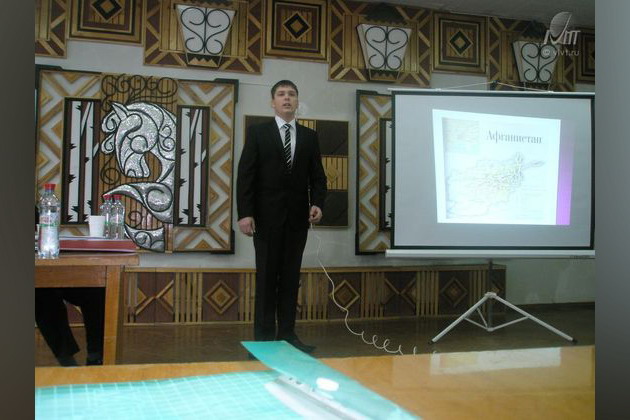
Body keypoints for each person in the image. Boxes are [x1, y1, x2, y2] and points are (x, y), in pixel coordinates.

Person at [236, 80, 327, 353]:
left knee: (290, 279)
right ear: (272, 102)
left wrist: (318, 203)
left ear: (297, 101)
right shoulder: (258, 133)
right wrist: (245, 214)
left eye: (292, 94)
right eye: (281, 94)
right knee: (266, 279)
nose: (287, 98)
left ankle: (287, 335)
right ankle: (264, 341)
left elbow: (318, 177)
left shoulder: (309, 136)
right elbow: (246, 176)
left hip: (297, 220)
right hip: (265, 220)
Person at [35, 206, 105, 366]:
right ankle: (66, 360)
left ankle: (96, 355)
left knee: (94, 287)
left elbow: (42, 231)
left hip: (43, 265)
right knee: (41, 292)